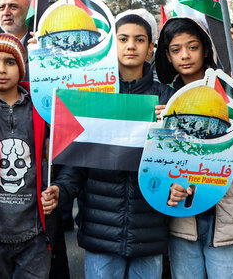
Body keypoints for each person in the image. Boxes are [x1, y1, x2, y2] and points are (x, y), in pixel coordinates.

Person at [42, 14, 174, 279]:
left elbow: (177, 162)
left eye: (139, 40)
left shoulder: (166, 98)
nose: (131, 46)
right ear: (113, 44)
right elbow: (78, 161)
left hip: (148, 230)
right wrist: (61, 189)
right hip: (101, 230)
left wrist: (168, 128)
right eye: (123, 39)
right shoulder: (92, 95)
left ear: (150, 47)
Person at [156, 16, 233, 279]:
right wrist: (161, 128)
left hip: (228, 220)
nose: (185, 55)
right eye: (176, 49)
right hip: (183, 219)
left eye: (193, 47)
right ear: (168, 55)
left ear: (206, 49)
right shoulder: (163, 99)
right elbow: (155, 166)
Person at [0, 33, 52, 278]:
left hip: (35, 231)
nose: (1, 69)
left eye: (10, 62)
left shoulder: (41, 106)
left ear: (21, 68)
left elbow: (57, 154)